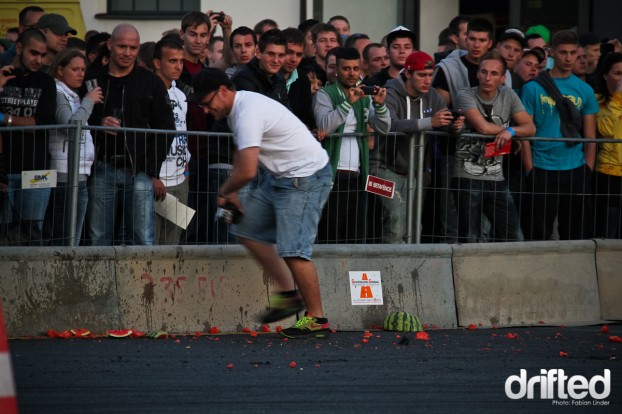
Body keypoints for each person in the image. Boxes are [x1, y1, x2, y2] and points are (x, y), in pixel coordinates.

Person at [188, 68, 333, 339]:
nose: (206, 110)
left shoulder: (247, 113)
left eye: (207, 103)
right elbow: (245, 161)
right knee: (248, 232)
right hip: (280, 176)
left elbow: (247, 172)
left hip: (306, 177)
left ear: (222, 91)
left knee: (293, 249)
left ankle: (317, 318)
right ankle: (289, 296)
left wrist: (226, 190)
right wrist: (233, 191)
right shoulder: (238, 109)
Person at [84, 23, 175, 246]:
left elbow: (166, 128)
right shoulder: (92, 78)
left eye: (133, 48)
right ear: (110, 45)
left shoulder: (150, 81)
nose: (127, 53)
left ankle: (144, 282)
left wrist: (151, 170)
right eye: (122, 46)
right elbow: (78, 118)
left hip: (139, 172)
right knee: (98, 237)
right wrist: (98, 122)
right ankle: (99, 281)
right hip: (102, 168)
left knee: (143, 237)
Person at [373, 51, 462, 243]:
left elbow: (443, 124)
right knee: (396, 223)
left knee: (414, 227)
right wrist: (429, 121)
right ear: (407, 74)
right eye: (421, 75)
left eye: (430, 75)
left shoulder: (433, 96)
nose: (427, 80)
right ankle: (392, 271)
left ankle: (410, 272)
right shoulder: (390, 93)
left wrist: (455, 127)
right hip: (382, 169)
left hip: (418, 172)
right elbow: (390, 125)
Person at [520, 30, 599, 240]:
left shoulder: (585, 89)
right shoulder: (532, 88)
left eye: (573, 53)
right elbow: (525, 131)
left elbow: (591, 137)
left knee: (576, 235)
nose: (569, 58)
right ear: (552, 52)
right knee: (537, 234)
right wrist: (530, 168)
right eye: (563, 52)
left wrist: (587, 169)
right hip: (541, 167)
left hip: (575, 167)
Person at [454, 51, 535, 243]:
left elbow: (530, 127)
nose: (487, 77)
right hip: (467, 176)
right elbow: (482, 127)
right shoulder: (465, 94)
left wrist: (512, 133)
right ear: (477, 74)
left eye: (493, 73)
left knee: (515, 237)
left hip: (497, 176)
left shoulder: (508, 94)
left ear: (502, 78)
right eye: (483, 72)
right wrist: (510, 134)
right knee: (470, 239)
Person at [313, 47, 391, 244]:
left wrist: (380, 106)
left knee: (356, 236)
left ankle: (353, 274)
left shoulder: (364, 94)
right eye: (346, 68)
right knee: (329, 235)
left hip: (358, 175)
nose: (352, 73)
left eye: (356, 68)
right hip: (332, 176)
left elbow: (384, 128)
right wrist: (348, 102)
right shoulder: (325, 94)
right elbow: (324, 125)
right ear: (336, 70)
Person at [432, 17, 494, 243]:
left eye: (481, 40)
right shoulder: (447, 69)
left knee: (484, 223)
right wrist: (453, 124)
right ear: (463, 39)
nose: (476, 44)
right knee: (451, 221)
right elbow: (439, 111)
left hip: (489, 153)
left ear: (490, 43)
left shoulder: (500, 70)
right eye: (472, 39)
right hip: (453, 151)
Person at [0, 28, 56, 244]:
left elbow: (42, 123)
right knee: (3, 238)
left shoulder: (45, 81)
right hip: (5, 169)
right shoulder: (3, 76)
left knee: (31, 237)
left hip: (37, 169)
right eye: (34, 53)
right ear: (20, 48)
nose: (39, 60)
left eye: (43, 55)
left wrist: (5, 119)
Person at [44, 48, 102, 245]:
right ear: (60, 70)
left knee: (71, 239)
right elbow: (70, 127)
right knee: (66, 240)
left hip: (78, 173)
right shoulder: (59, 92)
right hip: (65, 176)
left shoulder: (73, 94)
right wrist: (88, 102)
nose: (81, 74)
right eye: (75, 69)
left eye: (83, 69)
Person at [152, 37, 191, 245]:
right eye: (172, 61)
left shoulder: (180, 94)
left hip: (180, 179)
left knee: (173, 243)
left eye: (181, 61)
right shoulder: (148, 90)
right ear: (157, 63)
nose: (178, 66)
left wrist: (186, 171)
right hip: (157, 181)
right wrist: (152, 176)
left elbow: (183, 132)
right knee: (153, 242)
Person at [593, 52, 622, 238]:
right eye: (618, 73)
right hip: (608, 173)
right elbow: (605, 130)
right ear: (605, 75)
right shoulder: (597, 100)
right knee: (609, 232)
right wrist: (618, 98)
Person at [231, 28, 288, 106]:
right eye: (271, 54)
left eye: (281, 55)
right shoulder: (242, 79)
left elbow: (286, 112)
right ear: (258, 53)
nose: (276, 60)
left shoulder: (279, 78)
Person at [281, 27, 315, 129]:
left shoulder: (303, 79)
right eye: (289, 52)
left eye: (299, 54)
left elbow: (305, 117)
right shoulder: (266, 76)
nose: (294, 59)